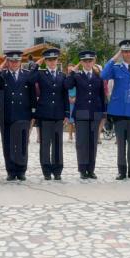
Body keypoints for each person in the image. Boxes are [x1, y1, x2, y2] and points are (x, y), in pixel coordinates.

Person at [101, 40, 130, 180]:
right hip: (119, 111)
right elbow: (103, 75)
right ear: (122, 53)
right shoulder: (116, 68)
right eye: (125, 51)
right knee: (121, 143)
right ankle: (121, 171)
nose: (128, 54)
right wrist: (114, 58)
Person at [65, 50, 106, 179]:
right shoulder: (77, 76)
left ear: (93, 62)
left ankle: (91, 169)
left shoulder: (98, 77)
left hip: (95, 112)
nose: (88, 63)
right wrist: (73, 70)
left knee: (92, 142)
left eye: (90, 61)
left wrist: (103, 112)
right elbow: (67, 84)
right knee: (82, 142)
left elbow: (102, 95)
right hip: (81, 112)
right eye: (85, 61)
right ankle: (82, 169)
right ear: (81, 62)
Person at [0, 50, 36, 181]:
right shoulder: (1, 75)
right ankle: (11, 171)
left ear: (21, 62)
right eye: (11, 61)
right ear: (7, 61)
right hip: (7, 115)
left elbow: (32, 95)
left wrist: (33, 113)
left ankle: (21, 170)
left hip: (23, 114)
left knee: (22, 144)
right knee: (8, 144)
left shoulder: (28, 75)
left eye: (17, 61)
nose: (14, 63)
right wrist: (1, 66)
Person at [31, 48, 68, 180]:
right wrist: (37, 63)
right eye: (49, 60)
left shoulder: (62, 76)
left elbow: (65, 95)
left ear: (57, 61)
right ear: (45, 61)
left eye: (54, 59)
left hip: (58, 114)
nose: (52, 62)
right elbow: (30, 78)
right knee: (45, 144)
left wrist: (67, 113)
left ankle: (57, 170)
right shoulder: (40, 74)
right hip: (45, 114)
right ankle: (46, 170)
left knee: (58, 144)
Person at [66, 64, 76, 141]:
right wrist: (68, 97)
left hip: (76, 101)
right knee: (70, 120)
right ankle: (70, 135)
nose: (70, 71)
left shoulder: (77, 78)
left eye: (71, 70)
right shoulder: (66, 78)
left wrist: (76, 98)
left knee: (76, 120)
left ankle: (77, 135)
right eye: (69, 70)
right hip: (68, 100)